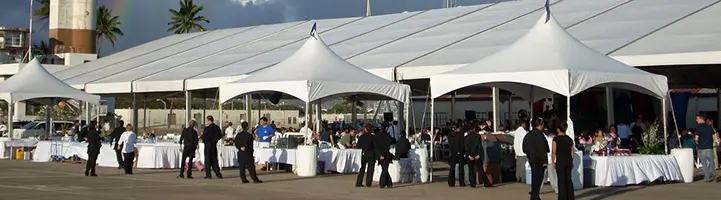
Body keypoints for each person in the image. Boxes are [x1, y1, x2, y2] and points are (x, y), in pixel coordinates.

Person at [524, 118, 550, 200]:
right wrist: (545, 161)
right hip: (539, 159)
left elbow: (524, 148)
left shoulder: (528, 135)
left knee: (535, 177)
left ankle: (535, 196)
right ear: (540, 124)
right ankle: (535, 196)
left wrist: (529, 154)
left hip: (531, 158)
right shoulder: (540, 135)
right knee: (538, 178)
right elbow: (544, 149)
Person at [465, 123, 492, 188]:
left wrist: (468, 155)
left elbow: (466, 147)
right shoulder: (477, 136)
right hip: (476, 154)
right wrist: (478, 154)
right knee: (480, 169)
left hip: (470, 155)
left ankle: (472, 183)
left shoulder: (466, 137)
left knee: (471, 170)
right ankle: (486, 183)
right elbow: (480, 146)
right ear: (474, 129)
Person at [552, 122, 574, 200]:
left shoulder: (556, 139)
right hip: (568, 160)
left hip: (560, 161)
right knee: (568, 179)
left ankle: (562, 197)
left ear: (558, 129)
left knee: (561, 180)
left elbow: (554, 151)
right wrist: (571, 160)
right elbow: (572, 151)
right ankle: (570, 197)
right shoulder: (569, 139)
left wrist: (553, 161)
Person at [694, 114, 716, 182]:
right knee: (712, 161)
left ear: (701, 118)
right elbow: (713, 137)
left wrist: (696, 142)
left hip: (701, 148)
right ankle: (710, 173)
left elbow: (696, 138)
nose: (696, 120)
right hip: (709, 147)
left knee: (704, 164)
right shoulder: (710, 127)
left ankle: (707, 177)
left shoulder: (698, 127)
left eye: (697, 118)